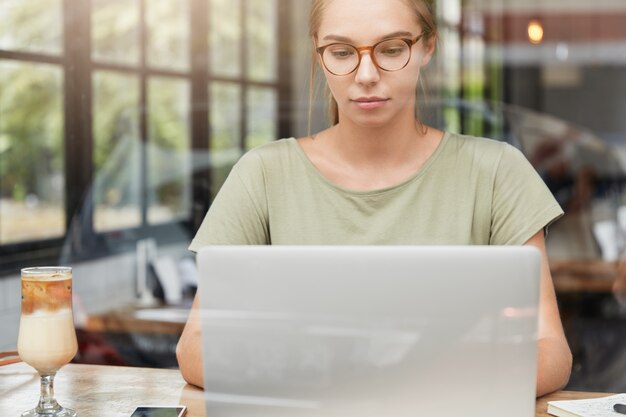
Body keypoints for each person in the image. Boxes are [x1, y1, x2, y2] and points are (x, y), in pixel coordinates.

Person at [176, 0, 572, 396]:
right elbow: (195, 345)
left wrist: (404, 387)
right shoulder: (262, 175)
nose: (366, 75)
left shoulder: (497, 172)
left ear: (427, 46)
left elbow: (551, 351)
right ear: (318, 50)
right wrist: (334, 386)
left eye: (391, 49)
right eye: (342, 52)